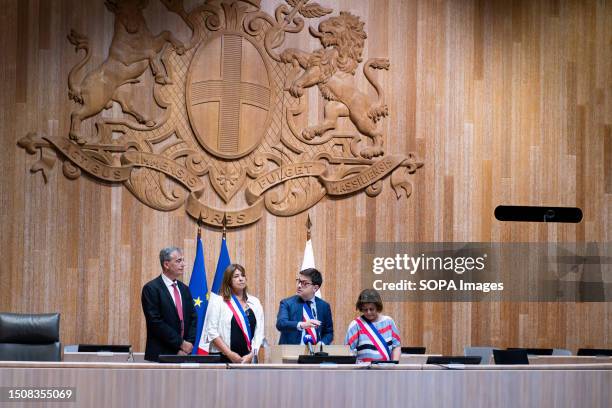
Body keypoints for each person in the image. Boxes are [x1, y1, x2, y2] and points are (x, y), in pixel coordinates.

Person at [141, 247, 197, 362]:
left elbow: (193, 318)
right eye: (178, 261)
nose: (183, 264)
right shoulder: (151, 289)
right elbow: (155, 323)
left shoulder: (184, 289)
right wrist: (180, 344)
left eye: (183, 260)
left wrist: (188, 345)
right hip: (161, 354)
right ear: (166, 264)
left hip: (185, 354)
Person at [201, 264, 265, 363]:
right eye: (236, 276)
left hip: (248, 358)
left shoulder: (255, 302)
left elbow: (259, 333)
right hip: (222, 356)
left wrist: (252, 354)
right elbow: (211, 332)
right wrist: (230, 354)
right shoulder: (218, 301)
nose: (241, 279)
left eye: (242, 275)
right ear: (229, 281)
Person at [276, 268, 333, 345]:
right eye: (299, 281)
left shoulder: (324, 306)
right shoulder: (287, 303)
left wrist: (322, 343)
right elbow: (281, 324)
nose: (299, 285)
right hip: (290, 353)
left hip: (315, 354)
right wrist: (303, 325)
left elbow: (329, 333)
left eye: (304, 283)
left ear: (315, 288)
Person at [345, 289, 401, 362]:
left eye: (371, 309)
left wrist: (394, 365)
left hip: (387, 370)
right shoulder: (355, 325)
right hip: (364, 370)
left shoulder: (389, 322)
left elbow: (396, 346)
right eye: (365, 309)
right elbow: (348, 350)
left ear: (377, 307)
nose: (368, 312)